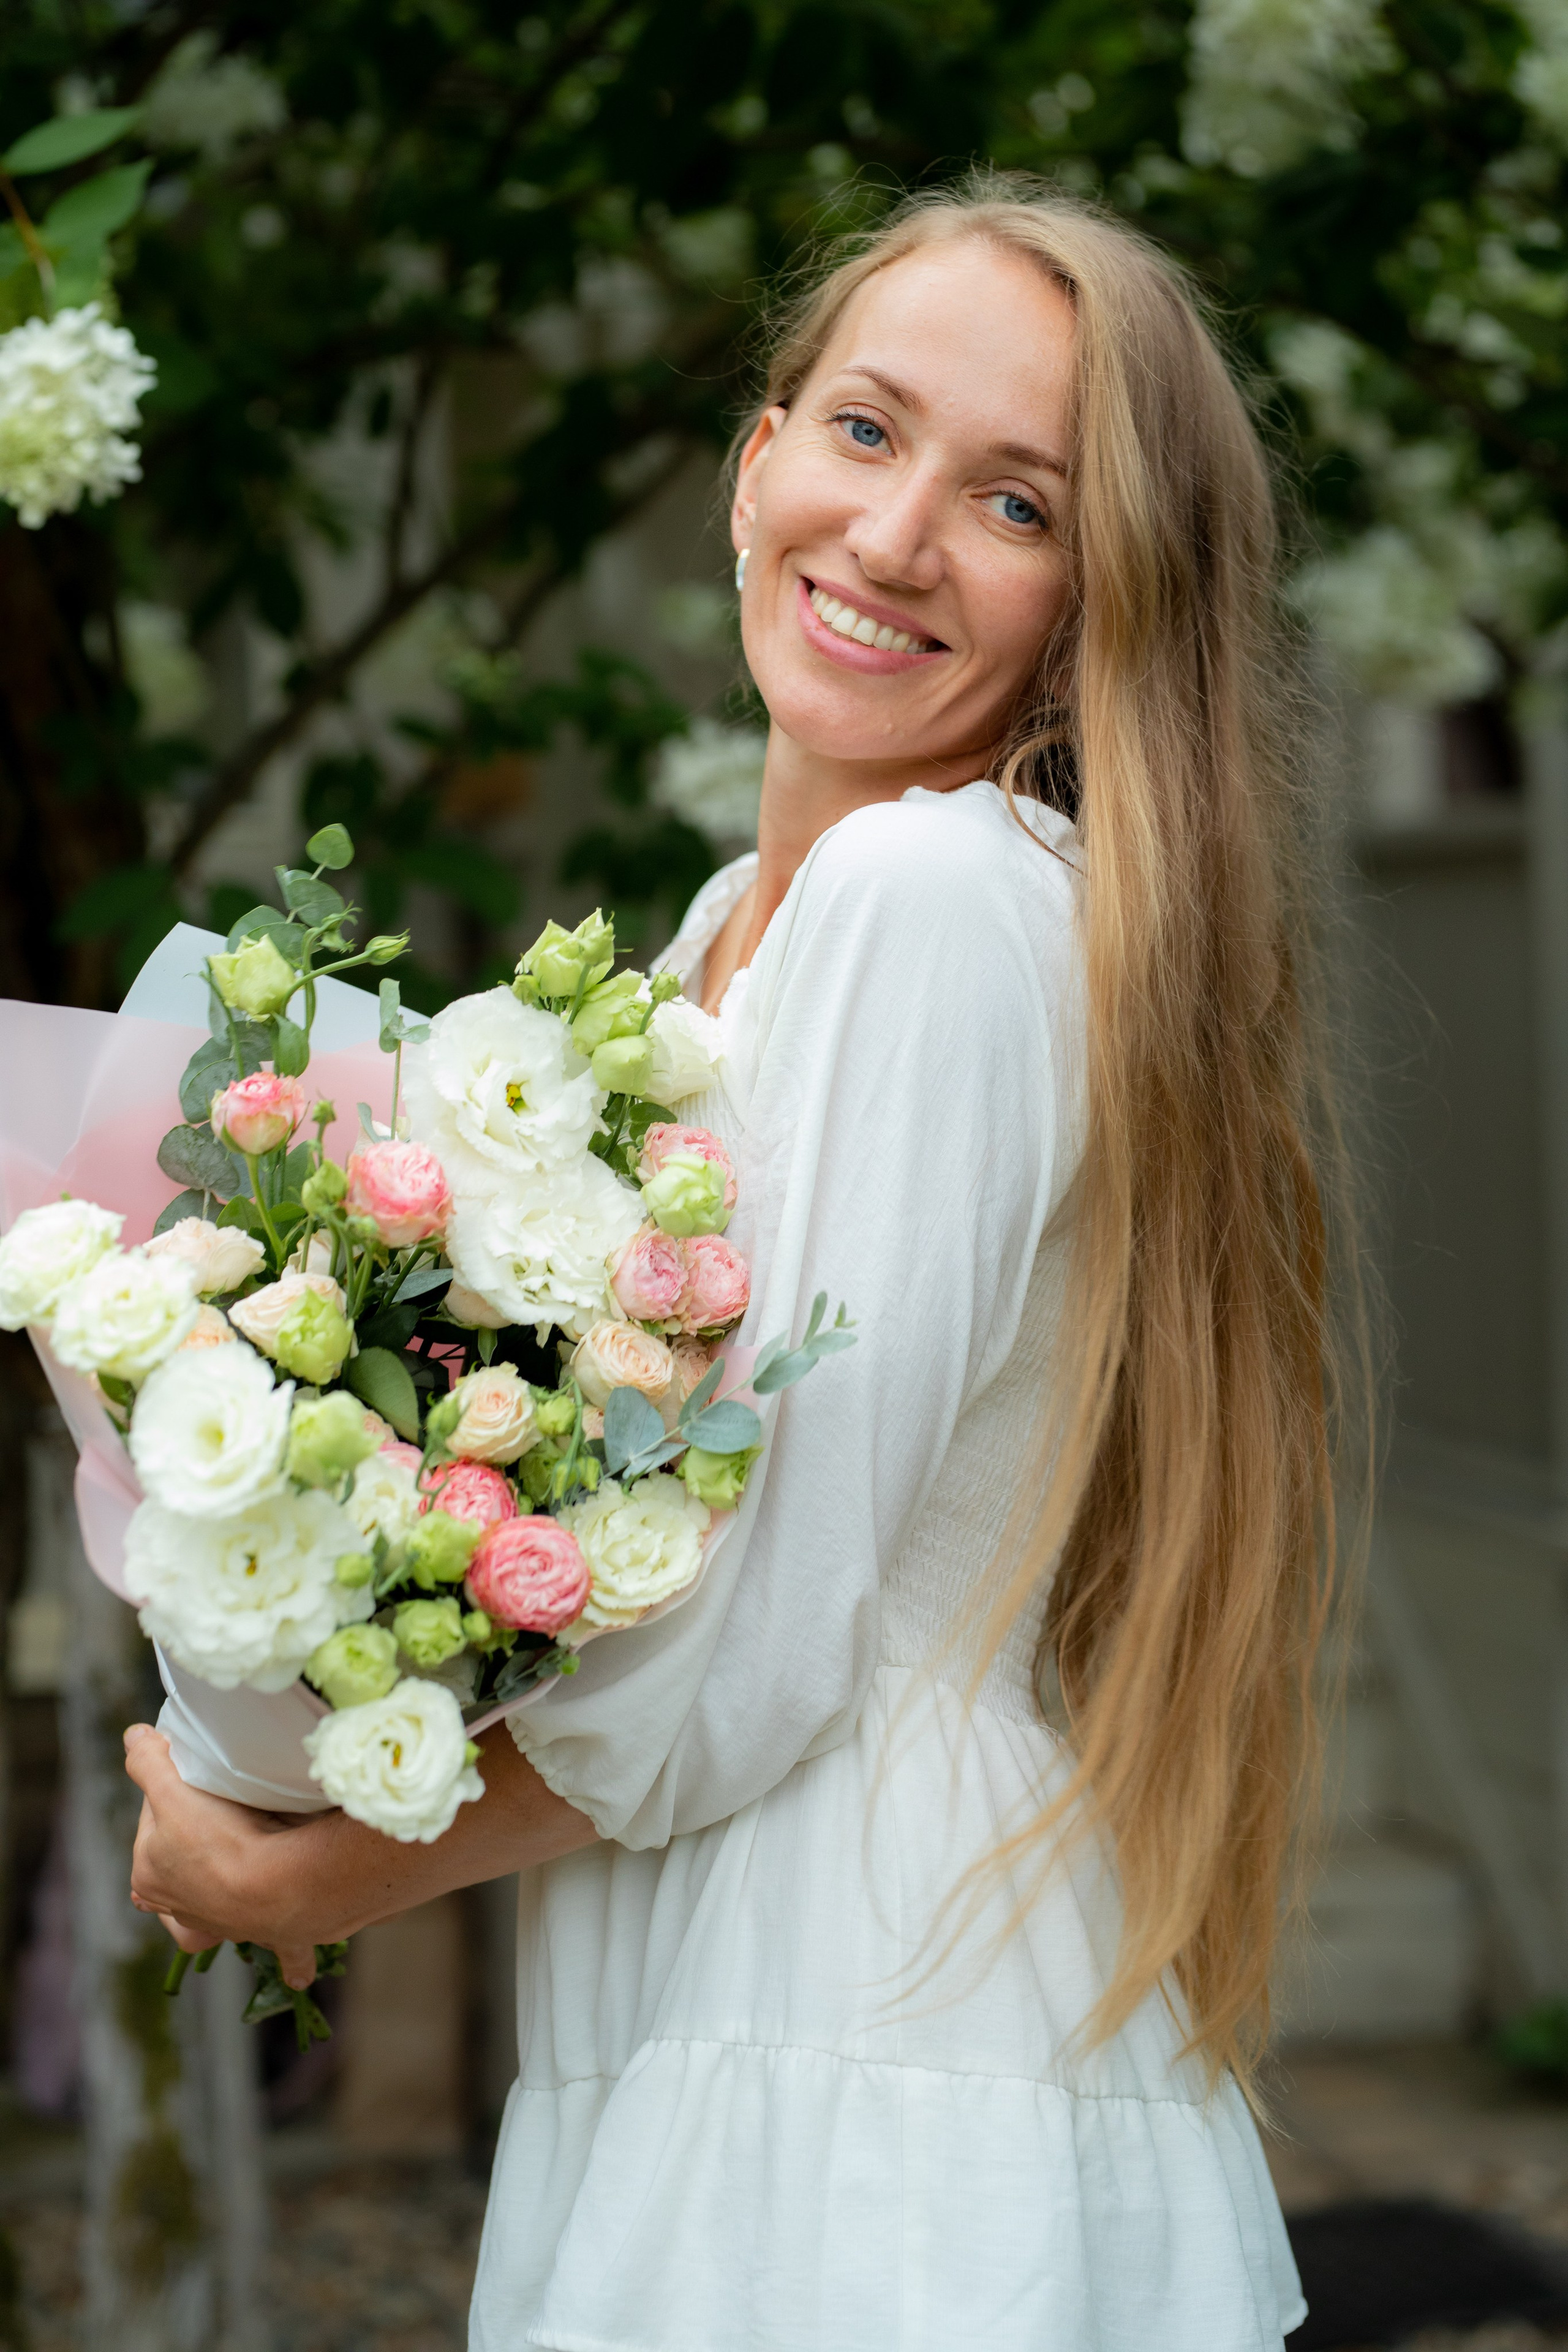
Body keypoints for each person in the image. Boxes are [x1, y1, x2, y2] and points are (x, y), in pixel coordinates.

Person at [125, 172, 1355, 2348]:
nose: (893, 538)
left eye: (1017, 502)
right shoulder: (716, 941)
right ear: (750, 464)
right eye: (867, 434)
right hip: (736, 1984)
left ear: (1096, 605)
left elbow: (751, 1642)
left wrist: (305, 1863)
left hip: (858, 2030)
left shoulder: (934, 905)